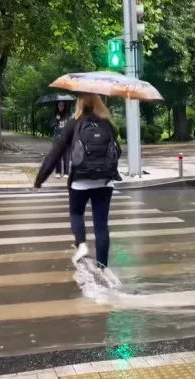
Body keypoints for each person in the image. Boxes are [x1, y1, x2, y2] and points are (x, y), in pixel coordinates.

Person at [34, 94, 123, 292]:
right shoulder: (108, 124)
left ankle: (81, 245)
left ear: (80, 104)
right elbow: (117, 150)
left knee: (76, 214)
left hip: (80, 180)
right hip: (105, 181)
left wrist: (40, 178)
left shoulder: (73, 124)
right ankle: (102, 267)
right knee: (101, 224)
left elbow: (55, 152)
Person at [52, 101, 71, 179]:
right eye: (59, 105)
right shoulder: (55, 114)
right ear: (57, 106)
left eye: (62, 105)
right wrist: (56, 119)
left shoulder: (68, 115)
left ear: (64, 106)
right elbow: (52, 125)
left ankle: (66, 172)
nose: (61, 106)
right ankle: (58, 172)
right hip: (57, 138)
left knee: (66, 156)